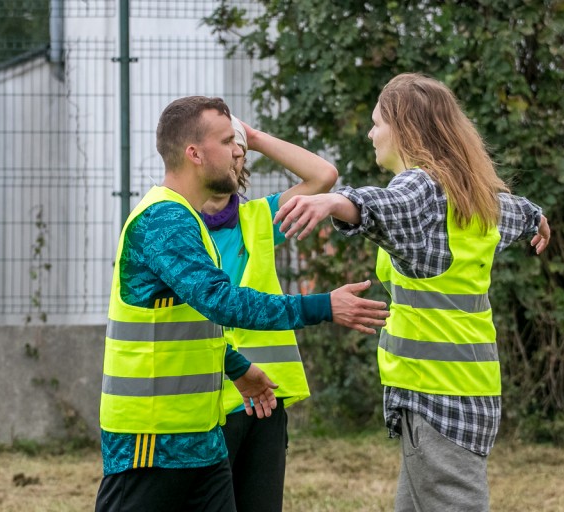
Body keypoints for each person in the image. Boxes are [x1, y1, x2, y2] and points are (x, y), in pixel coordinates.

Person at [94, 95, 389, 512]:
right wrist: (321, 306)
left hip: (201, 437)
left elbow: (195, 324)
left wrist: (238, 369)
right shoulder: (164, 219)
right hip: (152, 441)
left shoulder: (189, 219)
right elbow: (220, 302)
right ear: (194, 153)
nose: (239, 150)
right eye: (227, 141)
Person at [274, 73, 551, 512]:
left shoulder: (421, 186)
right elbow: (514, 211)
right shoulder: (470, 192)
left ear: (403, 129)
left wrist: (333, 202)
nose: (371, 134)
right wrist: (536, 218)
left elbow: (387, 206)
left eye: (377, 123)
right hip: (467, 388)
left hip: (436, 395)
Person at [200, 115, 337, 512]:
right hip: (206, 401)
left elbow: (323, 176)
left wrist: (255, 137)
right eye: (227, 147)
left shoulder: (260, 217)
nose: (234, 157)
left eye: (239, 152)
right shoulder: (172, 224)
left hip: (263, 400)